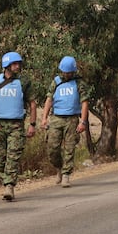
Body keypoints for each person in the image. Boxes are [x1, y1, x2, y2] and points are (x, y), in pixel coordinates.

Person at [0, 51, 37, 201]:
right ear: (7, 65)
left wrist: (32, 124)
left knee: (13, 156)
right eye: (14, 64)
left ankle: (9, 186)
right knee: (0, 159)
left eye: (19, 63)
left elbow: (32, 104)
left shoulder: (24, 82)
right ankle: (6, 181)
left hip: (16, 126)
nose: (17, 66)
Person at [40, 56, 91, 188]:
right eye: (65, 72)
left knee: (69, 148)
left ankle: (66, 175)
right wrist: (44, 118)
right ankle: (59, 168)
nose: (67, 75)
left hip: (72, 119)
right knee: (52, 148)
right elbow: (49, 100)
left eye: (69, 73)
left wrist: (83, 122)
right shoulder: (56, 82)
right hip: (56, 118)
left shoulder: (79, 83)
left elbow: (85, 103)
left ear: (73, 72)